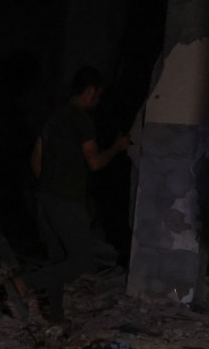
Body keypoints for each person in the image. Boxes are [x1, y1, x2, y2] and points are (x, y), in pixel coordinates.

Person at [17, 66, 129, 322]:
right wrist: (117, 147)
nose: (97, 101)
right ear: (90, 92)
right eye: (97, 96)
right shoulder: (82, 120)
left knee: (58, 260)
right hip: (67, 201)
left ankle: (55, 315)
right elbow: (95, 162)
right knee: (79, 261)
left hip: (44, 199)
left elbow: (36, 161)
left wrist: (48, 184)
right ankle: (24, 283)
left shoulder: (52, 118)